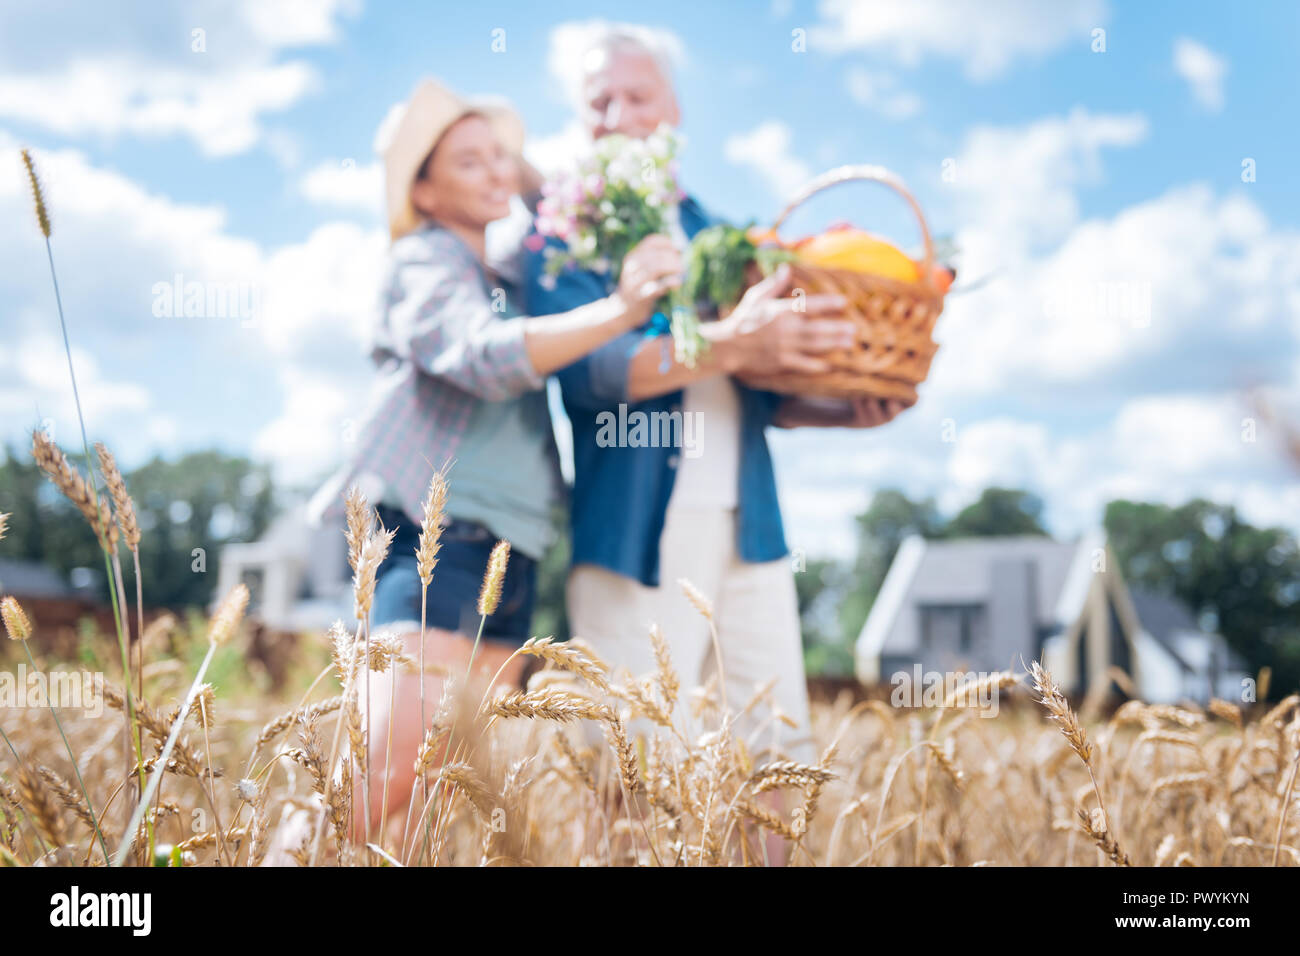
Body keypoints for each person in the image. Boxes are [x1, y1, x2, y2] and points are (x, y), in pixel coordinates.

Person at [305, 77, 683, 842]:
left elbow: (554, 207)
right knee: (379, 775)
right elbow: (483, 357)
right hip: (437, 541)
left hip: (511, 554)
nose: (495, 172)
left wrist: (533, 174)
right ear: (424, 189)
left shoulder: (508, 277)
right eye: (468, 162)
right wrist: (624, 312)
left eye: (499, 157)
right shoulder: (424, 262)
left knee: (436, 795)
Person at [524, 25, 911, 769]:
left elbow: (759, 388)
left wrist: (839, 411)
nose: (618, 114)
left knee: (775, 760)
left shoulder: (727, 236)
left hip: (750, 527)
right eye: (598, 101)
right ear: (579, 119)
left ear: (674, 110)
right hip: (635, 529)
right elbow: (594, 377)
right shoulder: (563, 234)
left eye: (638, 95)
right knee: (629, 768)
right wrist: (731, 340)